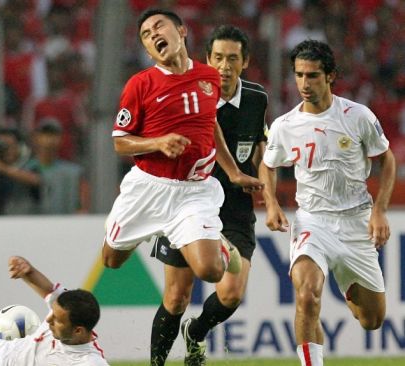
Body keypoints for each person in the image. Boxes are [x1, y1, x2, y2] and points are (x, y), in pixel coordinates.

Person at [102, 6, 263, 313]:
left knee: (211, 271)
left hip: (193, 191)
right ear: (148, 51)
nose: (153, 36)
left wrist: (232, 171)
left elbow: (209, 123)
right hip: (148, 188)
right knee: (111, 261)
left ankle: (222, 248)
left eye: (159, 27)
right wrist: (158, 142)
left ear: (181, 31)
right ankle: (149, 227)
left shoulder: (208, 77)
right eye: (146, 35)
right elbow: (120, 142)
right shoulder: (140, 84)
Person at [259, 39, 395, 366]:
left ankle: (347, 283)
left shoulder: (357, 116)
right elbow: (267, 165)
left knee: (372, 320)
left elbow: (386, 160)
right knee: (307, 297)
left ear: (330, 76)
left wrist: (378, 210)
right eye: (299, 75)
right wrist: (272, 204)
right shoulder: (285, 126)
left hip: (355, 221)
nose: (304, 84)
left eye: (313, 76)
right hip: (312, 221)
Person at [148, 25, 268, 366]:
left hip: (234, 208)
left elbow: (260, 148)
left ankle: (196, 334)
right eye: (218, 58)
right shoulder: (187, 97)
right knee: (176, 297)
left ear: (245, 62)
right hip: (187, 203)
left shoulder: (257, 98)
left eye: (233, 58)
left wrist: (268, 192)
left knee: (231, 294)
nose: (224, 66)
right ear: (207, 59)